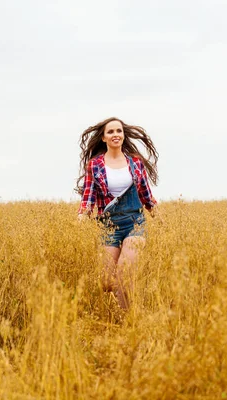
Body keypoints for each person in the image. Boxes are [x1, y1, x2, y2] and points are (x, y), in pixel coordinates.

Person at [76, 117, 159, 309]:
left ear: (123, 135)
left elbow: (147, 196)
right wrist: (82, 215)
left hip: (134, 223)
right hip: (108, 226)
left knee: (125, 272)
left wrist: (160, 219)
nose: (116, 135)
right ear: (104, 138)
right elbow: (88, 196)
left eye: (119, 131)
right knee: (105, 282)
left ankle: (126, 322)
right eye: (111, 132)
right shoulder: (95, 165)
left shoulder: (136, 164)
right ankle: (128, 298)